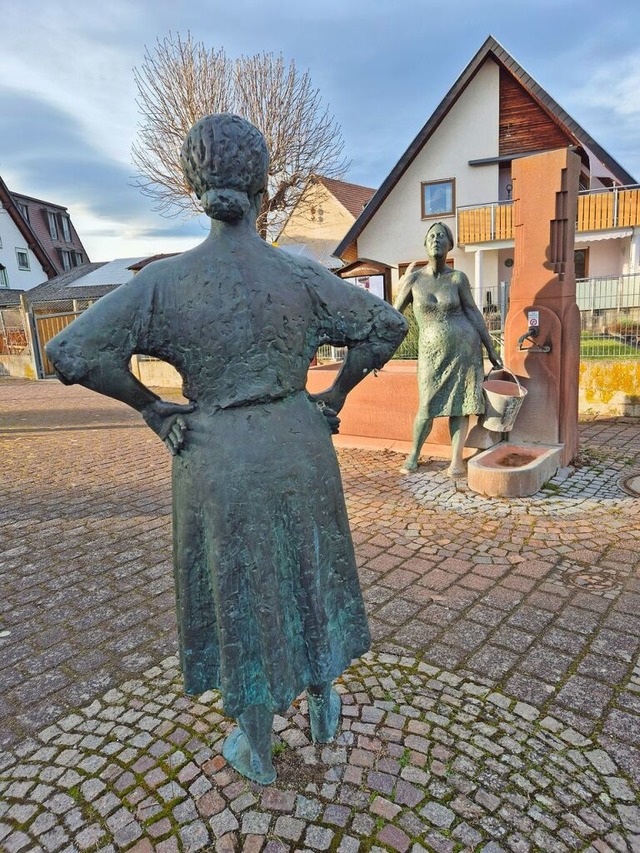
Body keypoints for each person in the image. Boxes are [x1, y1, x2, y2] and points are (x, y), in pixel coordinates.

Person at [45, 113, 407, 785]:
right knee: (309, 565)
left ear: (192, 183)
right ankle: (324, 700)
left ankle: (257, 740)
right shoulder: (298, 276)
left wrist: (151, 407)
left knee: (243, 582)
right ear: (264, 186)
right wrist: (334, 396)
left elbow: (67, 350)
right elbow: (386, 325)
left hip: (218, 453)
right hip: (300, 442)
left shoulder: (165, 283)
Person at [394, 221, 502, 476]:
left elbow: (473, 313)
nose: (436, 239)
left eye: (442, 236)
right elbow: (394, 317)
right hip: (431, 355)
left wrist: (491, 348)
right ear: (425, 244)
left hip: (465, 350)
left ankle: (456, 460)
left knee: (460, 405)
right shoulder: (414, 280)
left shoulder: (457, 278)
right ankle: (413, 454)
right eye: (432, 236)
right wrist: (380, 351)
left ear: (450, 245)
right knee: (427, 405)